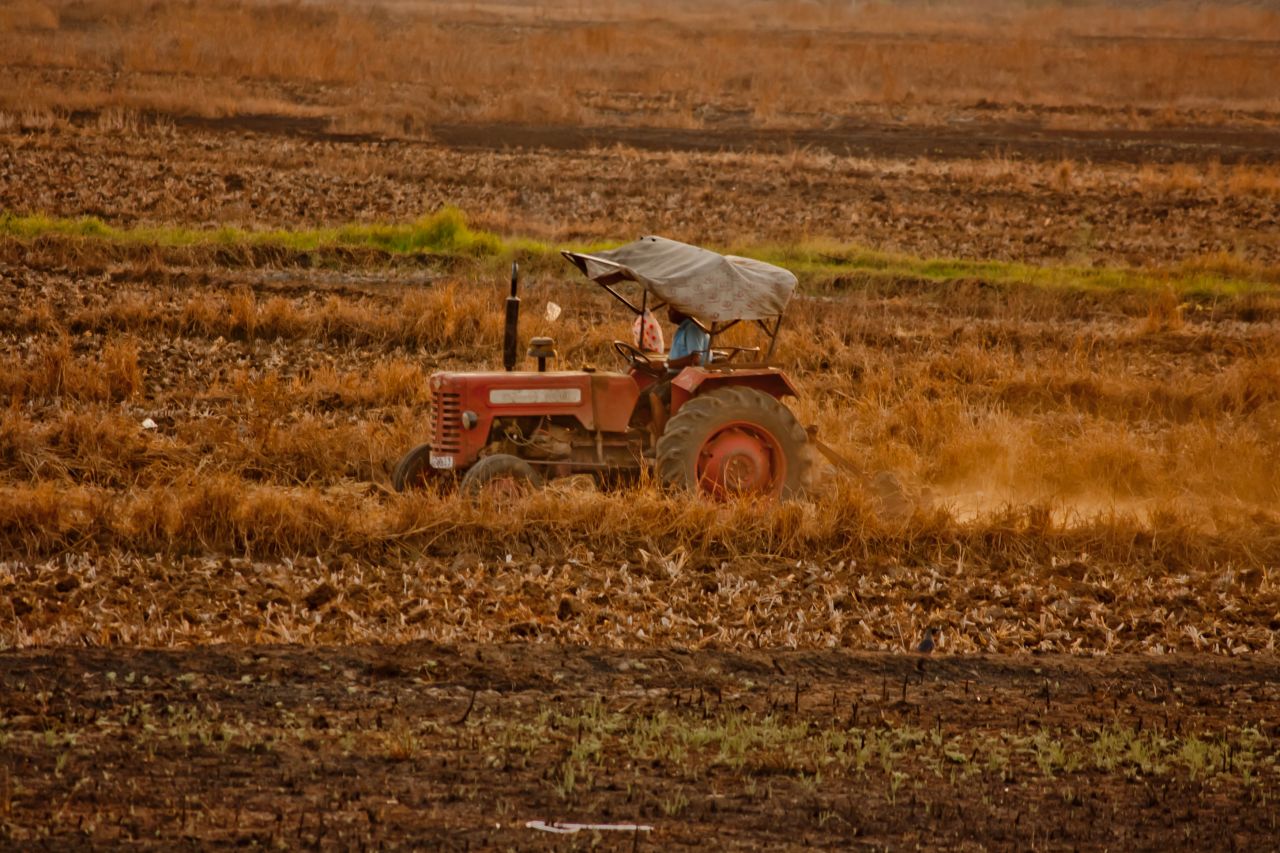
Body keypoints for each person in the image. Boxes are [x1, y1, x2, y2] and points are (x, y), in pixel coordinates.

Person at [646, 305, 710, 436]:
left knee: (656, 395)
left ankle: (660, 439)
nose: (668, 312)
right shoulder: (683, 329)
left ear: (683, 310)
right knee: (642, 395)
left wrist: (665, 364)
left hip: (686, 375)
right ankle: (645, 433)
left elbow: (695, 359)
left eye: (672, 309)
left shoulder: (693, 329)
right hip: (674, 373)